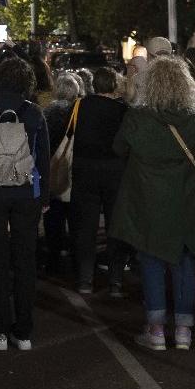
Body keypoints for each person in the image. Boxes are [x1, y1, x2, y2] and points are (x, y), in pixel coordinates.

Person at [111, 56, 195, 351]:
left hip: (148, 199)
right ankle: (184, 329)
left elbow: (119, 147)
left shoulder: (139, 117)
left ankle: (156, 328)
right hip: (186, 198)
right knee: (185, 259)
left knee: (151, 259)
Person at [0, 57, 51, 351]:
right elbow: (43, 157)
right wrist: (44, 196)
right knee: (25, 260)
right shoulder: (34, 113)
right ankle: (24, 331)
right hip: (25, 191)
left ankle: (0, 330)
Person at [71, 67, 130, 296]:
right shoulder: (121, 109)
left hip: (85, 169)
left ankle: (86, 279)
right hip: (114, 170)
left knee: (87, 226)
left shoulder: (81, 106)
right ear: (114, 85)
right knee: (115, 225)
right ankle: (115, 279)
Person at [43, 72, 84, 273]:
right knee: (75, 218)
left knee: (53, 217)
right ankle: (77, 259)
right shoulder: (80, 111)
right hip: (74, 169)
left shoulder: (48, 111)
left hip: (53, 168)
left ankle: (53, 257)